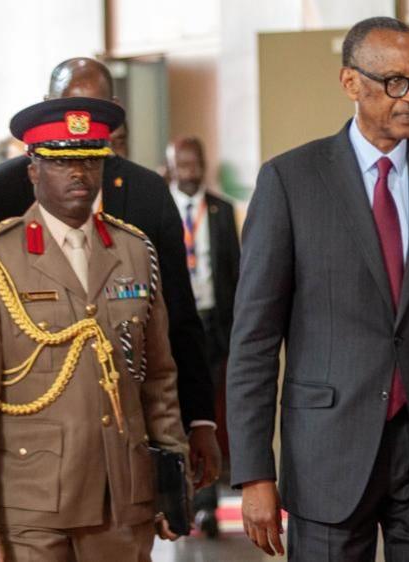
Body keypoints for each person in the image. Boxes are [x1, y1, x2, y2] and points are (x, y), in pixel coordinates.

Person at [227, 16, 409, 561]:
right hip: (327, 451)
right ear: (351, 83)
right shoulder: (290, 182)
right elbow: (255, 341)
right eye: (395, 82)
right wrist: (254, 471)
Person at [0, 58, 221, 492]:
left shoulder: (146, 191)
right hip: (27, 440)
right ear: (48, 105)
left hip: (124, 433)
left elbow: (177, 313)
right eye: (68, 107)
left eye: (95, 110)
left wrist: (199, 418)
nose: (80, 125)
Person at [0, 97, 189, 561]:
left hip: (123, 498)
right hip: (31, 504)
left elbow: (158, 378)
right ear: (33, 170)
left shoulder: (135, 250)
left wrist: (169, 483)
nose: (79, 173)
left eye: (89, 160)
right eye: (61, 162)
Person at [166, 136, 240, 538]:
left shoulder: (222, 210)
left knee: (206, 416)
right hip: (173, 323)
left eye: (195, 161)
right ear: (172, 166)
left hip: (212, 325)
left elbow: (236, 272)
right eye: (182, 162)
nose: (189, 168)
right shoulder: (160, 208)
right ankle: (181, 503)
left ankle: (208, 505)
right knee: (173, 414)